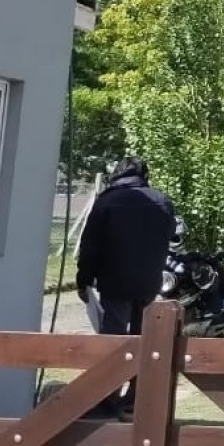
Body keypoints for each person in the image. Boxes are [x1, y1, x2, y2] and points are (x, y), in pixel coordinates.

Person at [75, 157, 175, 417]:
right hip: (148, 284)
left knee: (114, 343)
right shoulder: (162, 201)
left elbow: (90, 246)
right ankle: (136, 400)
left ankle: (107, 401)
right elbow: (168, 238)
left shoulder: (107, 201)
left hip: (114, 283)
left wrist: (83, 279)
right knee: (145, 341)